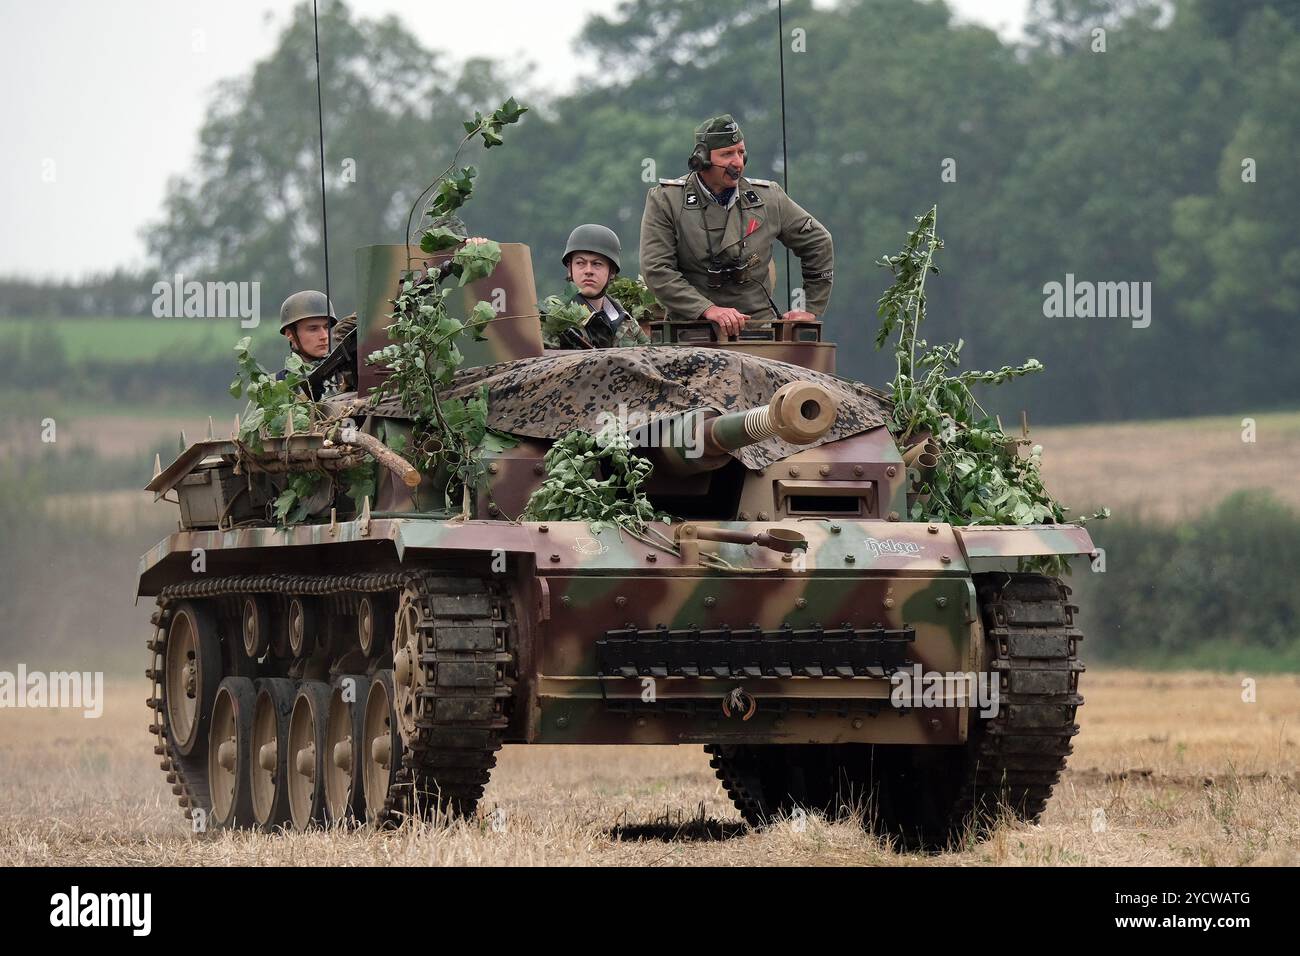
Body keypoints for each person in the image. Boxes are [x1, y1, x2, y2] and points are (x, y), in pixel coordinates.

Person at [639, 114, 834, 338]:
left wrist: (810, 308)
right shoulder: (667, 200)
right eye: (727, 154)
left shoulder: (768, 198)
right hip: (691, 332)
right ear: (701, 159)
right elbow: (657, 270)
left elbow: (818, 242)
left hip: (758, 330)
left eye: (741, 152)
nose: (737, 162)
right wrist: (708, 309)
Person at [554, 223, 650, 348]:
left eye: (597, 264)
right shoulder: (554, 317)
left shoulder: (626, 322)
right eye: (580, 263)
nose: (588, 271)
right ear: (569, 268)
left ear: (612, 272)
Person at [277, 290, 337, 381]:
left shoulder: (346, 373)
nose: (324, 336)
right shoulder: (276, 385)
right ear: (290, 334)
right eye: (313, 329)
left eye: (326, 327)